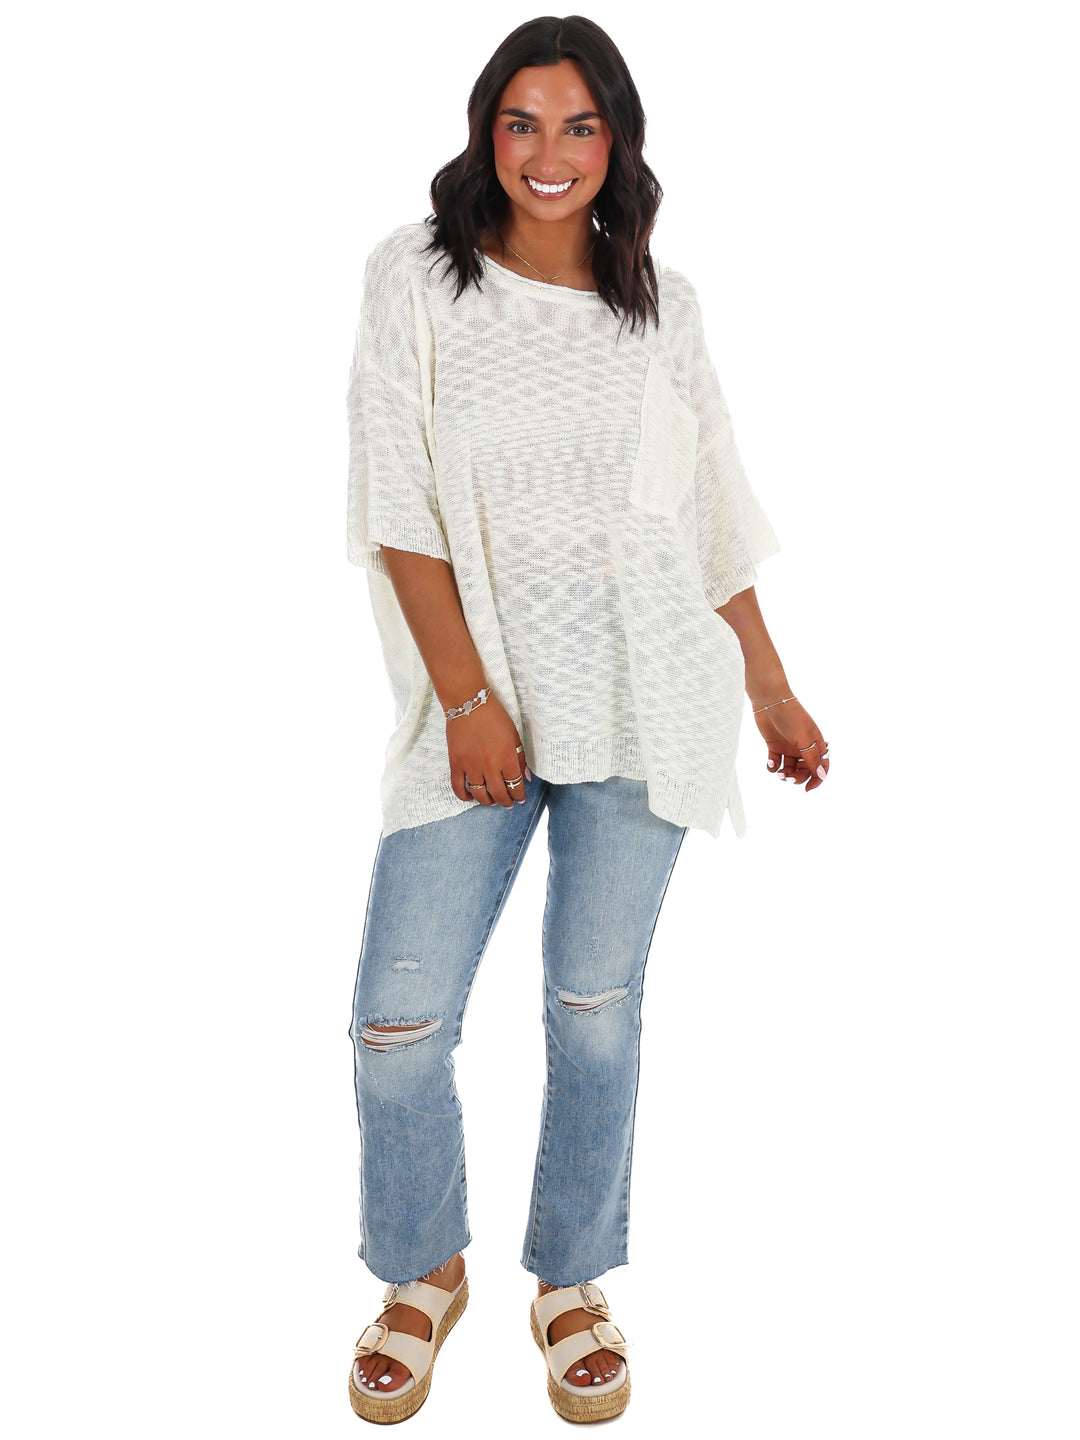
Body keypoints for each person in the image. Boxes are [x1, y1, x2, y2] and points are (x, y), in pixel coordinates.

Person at [343, 15, 829, 1426]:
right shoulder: (419, 276)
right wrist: (467, 700)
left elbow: (709, 509)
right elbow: (397, 505)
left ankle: (569, 1281)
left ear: (617, 140)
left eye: (579, 126)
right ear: (485, 133)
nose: (548, 153)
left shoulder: (661, 305)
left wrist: (771, 683)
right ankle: (425, 1269)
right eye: (522, 122)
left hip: (648, 698)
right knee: (398, 1024)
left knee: (595, 1016)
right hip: (479, 712)